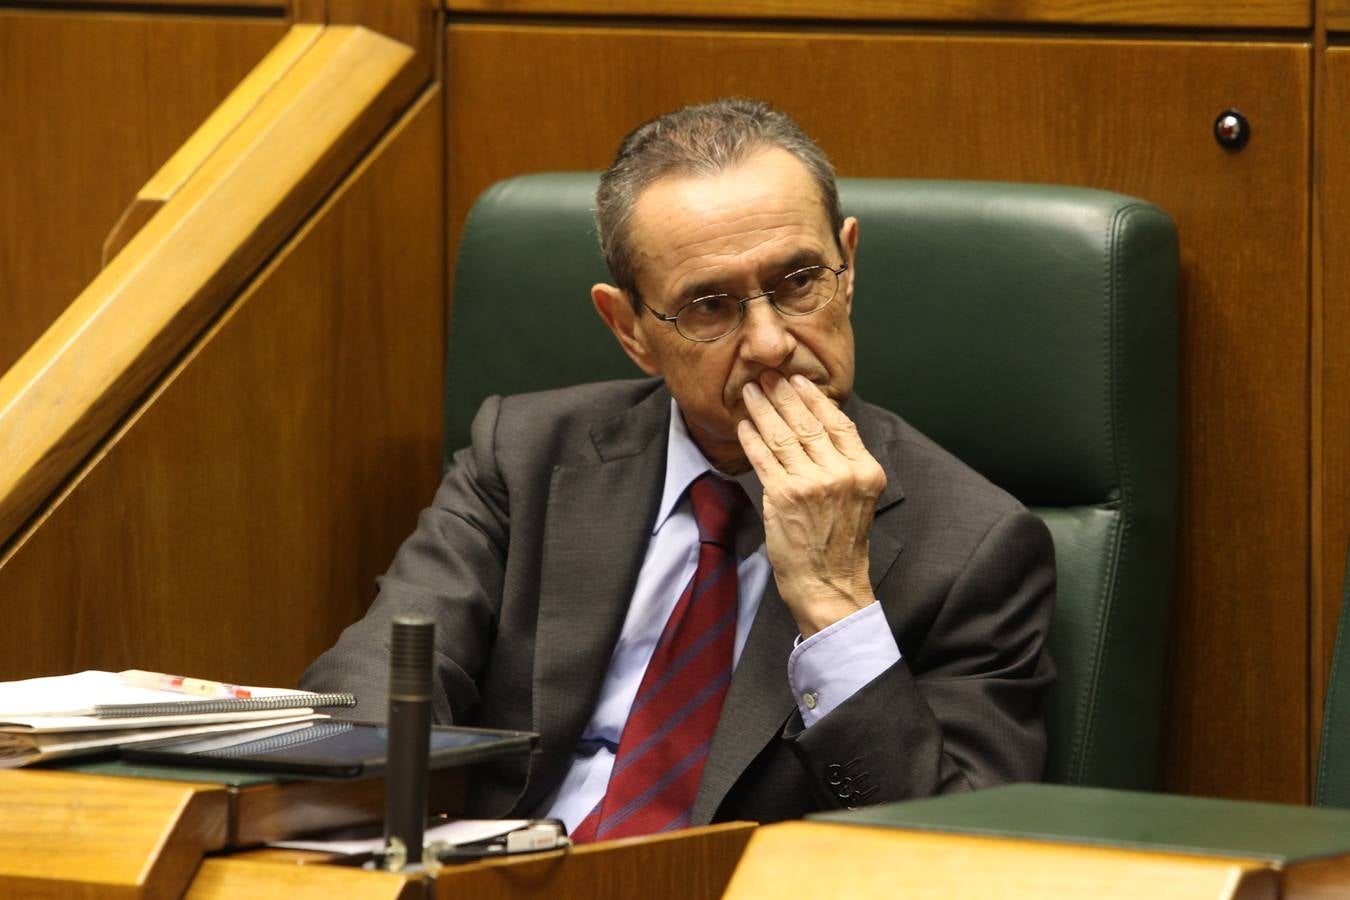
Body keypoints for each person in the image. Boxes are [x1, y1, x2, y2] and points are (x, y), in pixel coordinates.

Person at [302, 98, 1055, 839]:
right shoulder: (527, 455)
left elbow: (954, 847)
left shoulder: (974, 547)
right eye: (709, 306)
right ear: (629, 329)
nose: (768, 343)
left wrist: (835, 608)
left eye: (799, 282)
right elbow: (375, 684)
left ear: (847, 265)